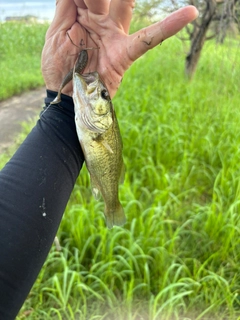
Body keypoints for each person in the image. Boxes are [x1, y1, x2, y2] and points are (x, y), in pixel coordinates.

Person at [0, 1, 198, 319]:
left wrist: (64, 105)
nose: (98, 92)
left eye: (101, 96)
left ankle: (111, 206)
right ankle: (111, 206)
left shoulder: (90, 116)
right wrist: (66, 106)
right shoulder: (91, 109)